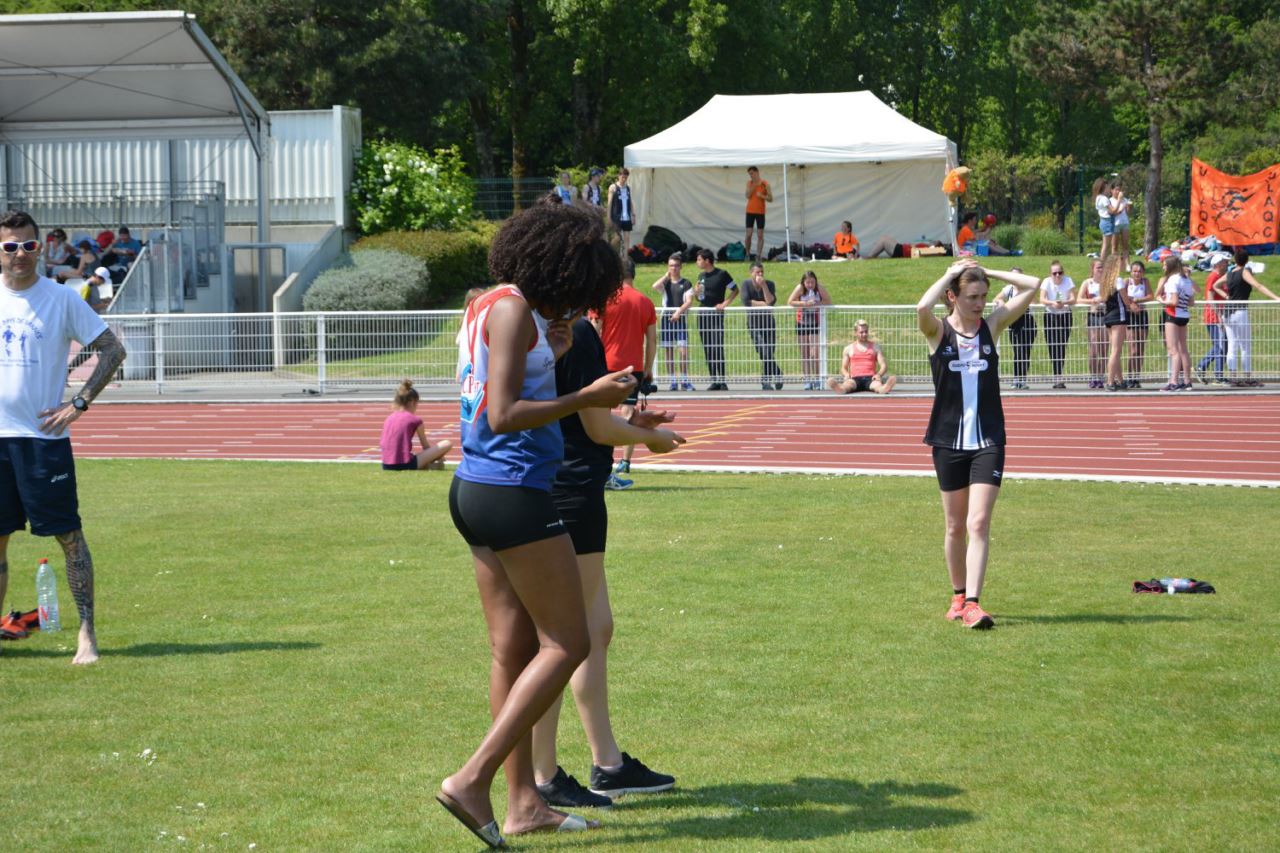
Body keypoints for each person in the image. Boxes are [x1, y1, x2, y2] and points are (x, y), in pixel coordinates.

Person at [439, 200, 637, 847]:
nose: (576, 304)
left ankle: (523, 802)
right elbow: (501, 413)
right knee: (569, 643)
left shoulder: (490, 304)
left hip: (479, 487)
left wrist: (549, 354)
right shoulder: (513, 308)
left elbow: (500, 390)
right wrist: (586, 395)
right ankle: (472, 779)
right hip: (513, 489)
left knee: (514, 650)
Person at [531, 314, 684, 811]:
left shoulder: (542, 324)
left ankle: (608, 763)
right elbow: (596, 427)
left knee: (596, 628)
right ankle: (542, 774)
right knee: (562, 640)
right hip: (571, 490)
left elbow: (577, 416)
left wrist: (632, 426)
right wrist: (650, 439)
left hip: (563, 486)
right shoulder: (574, 330)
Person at [0, 210, 127, 665]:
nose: (20, 254)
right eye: (10, 246)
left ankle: (86, 634)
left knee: (69, 538)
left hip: (42, 441)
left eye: (29, 245)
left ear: (41, 249)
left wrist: (79, 402)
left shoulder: (60, 298)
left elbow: (112, 349)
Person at [916, 259, 1039, 630]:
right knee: (955, 526)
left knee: (979, 521)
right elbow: (922, 308)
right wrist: (948, 274)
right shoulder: (938, 331)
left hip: (988, 440)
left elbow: (1033, 285)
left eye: (984, 296)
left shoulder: (992, 325)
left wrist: (989, 270)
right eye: (972, 296)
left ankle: (973, 603)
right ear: (953, 296)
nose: (980, 303)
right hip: (948, 441)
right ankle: (957, 595)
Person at [591, 259, 656, 490]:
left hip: (606, 364)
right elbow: (652, 340)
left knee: (601, 415)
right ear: (633, 275)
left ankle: (603, 466)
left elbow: (594, 331)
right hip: (633, 366)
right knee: (629, 413)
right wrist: (648, 368)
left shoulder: (605, 299)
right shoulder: (645, 302)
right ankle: (625, 461)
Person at [1215, 249, 1280, 387]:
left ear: (1235, 260)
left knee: (1232, 345)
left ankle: (1233, 377)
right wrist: (1276, 298)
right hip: (1240, 311)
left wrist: (1227, 296)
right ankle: (1248, 377)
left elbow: (1216, 286)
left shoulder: (1229, 273)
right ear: (1247, 260)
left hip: (1227, 312)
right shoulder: (1244, 272)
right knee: (1245, 346)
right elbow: (1258, 285)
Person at [380, 380, 452, 470]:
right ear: (412, 402)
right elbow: (425, 446)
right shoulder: (415, 419)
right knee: (447, 444)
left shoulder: (389, 418)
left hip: (386, 465)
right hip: (405, 464)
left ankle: (428, 465)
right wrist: (437, 455)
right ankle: (430, 465)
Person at [692, 248, 737, 390]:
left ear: (707, 261)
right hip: (703, 314)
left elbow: (735, 290)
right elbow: (699, 298)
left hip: (716, 315)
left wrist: (724, 304)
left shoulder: (722, 274)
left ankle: (722, 380)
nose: (697, 262)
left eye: (699, 259)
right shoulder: (701, 276)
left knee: (717, 346)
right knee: (708, 348)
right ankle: (714, 380)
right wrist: (696, 293)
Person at [651, 253, 694, 392]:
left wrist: (678, 312)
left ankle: (684, 380)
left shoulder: (686, 283)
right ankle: (673, 381)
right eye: (671, 266)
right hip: (666, 321)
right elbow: (655, 286)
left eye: (676, 266)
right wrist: (666, 276)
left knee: (683, 351)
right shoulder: (666, 283)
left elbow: (689, 301)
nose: (673, 268)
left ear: (681, 267)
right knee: (668, 351)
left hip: (680, 320)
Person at [787, 270, 832, 390]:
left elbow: (828, 301)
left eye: (812, 282)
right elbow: (790, 301)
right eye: (808, 282)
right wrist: (805, 303)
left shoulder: (819, 288)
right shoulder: (800, 288)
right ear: (803, 282)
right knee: (805, 353)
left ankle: (817, 379)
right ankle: (807, 379)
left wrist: (817, 303)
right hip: (801, 322)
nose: (810, 285)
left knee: (814, 353)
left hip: (815, 322)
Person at [1155, 255, 1194, 392]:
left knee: (1173, 350)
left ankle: (1173, 382)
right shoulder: (1186, 280)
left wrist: (1161, 300)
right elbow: (1191, 302)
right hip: (1184, 315)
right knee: (1183, 349)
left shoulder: (1172, 280)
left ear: (1170, 266)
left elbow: (1174, 301)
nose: (1163, 267)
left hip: (1173, 315)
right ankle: (1187, 381)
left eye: (1165, 265)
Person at [993, 267, 1036, 389]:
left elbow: (1034, 302)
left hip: (1027, 322)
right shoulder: (1009, 289)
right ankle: (1017, 379)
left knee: (1024, 351)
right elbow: (996, 298)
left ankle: (1022, 380)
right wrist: (1001, 302)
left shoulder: (1027, 289)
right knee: (1017, 351)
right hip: (1014, 323)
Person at [827, 320, 896, 394]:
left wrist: (879, 375)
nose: (864, 334)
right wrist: (846, 374)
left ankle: (883, 389)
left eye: (866, 332)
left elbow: (883, 365)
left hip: (871, 378)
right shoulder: (848, 349)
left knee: (877, 385)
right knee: (848, 384)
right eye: (861, 332)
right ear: (855, 333)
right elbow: (843, 368)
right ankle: (841, 389)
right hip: (854, 379)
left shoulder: (876, 347)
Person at [741, 262, 781, 390]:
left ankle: (766, 381)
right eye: (757, 272)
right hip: (754, 324)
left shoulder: (769, 284)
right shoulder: (746, 284)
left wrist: (764, 286)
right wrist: (764, 304)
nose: (760, 274)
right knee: (764, 351)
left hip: (768, 323)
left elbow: (770, 301)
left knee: (769, 351)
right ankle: (777, 373)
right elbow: (746, 301)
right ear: (751, 273)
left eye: (762, 272)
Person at [1038, 260, 1075, 388]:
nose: (1058, 275)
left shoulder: (1068, 280)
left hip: (1065, 315)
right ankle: (1057, 376)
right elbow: (1042, 299)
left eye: (1060, 272)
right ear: (1050, 274)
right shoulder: (1046, 282)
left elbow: (1073, 299)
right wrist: (1052, 303)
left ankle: (1059, 376)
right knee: (1052, 345)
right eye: (1055, 273)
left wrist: (1063, 303)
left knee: (1061, 345)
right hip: (1050, 315)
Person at [1098, 255, 1132, 391]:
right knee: (1116, 351)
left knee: (1115, 350)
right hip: (1119, 316)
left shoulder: (1105, 281)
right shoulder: (1118, 280)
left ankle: (1120, 380)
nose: (1123, 265)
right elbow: (1125, 299)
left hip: (1109, 316)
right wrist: (1131, 304)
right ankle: (1110, 381)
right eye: (1121, 262)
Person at [1196, 254, 1230, 385]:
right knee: (1220, 346)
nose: (1227, 264)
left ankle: (1205, 368)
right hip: (1214, 317)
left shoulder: (1222, 277)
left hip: (1221, 315)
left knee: (1222, 345)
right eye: (1224, 262)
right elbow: (1210, 297)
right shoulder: (1213, 277)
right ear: (1218, 264)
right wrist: (1218, 315)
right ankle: (1215, 374)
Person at [1077, 260, 1108, 388]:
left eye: (1102, 267)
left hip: (1106, 316)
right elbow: (1079, 299)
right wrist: (1093, 301)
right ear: (1093, 269)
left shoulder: (1108, 282)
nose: (1101, 269)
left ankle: (1101, 377)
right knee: (1093, 349)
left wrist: (1104, 299)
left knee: (1104, 349)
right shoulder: (1087, 282)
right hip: (1093, 317)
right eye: (1098, 267)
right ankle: (1093, 377)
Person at [1124, 260, 1153, 388]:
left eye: (1139, 271)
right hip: (1130, 316)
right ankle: (1130, 376)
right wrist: (1131, 305)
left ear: (1143, 272)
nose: (1137, 274)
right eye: (1135, 271)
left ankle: (1137, 377)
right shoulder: (1126, 282)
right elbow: (1122, 297)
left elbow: (1150, 296)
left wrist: (1138, 300)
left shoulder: (1145, 282)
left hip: (1142, 315)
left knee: (1140, 348)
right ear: (1131, 272)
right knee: (1132, 349)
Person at [744, 166, 773, 261]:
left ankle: (758, 255)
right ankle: (747, 254)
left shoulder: (765, 183)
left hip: (760, 212)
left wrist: (762, 196)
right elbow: (747, 195)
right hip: (750, 211)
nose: (751, 176)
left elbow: (771, 198)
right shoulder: (749, 183)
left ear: (757, 172)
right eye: (750, 174)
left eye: (752, 173)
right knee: (749, 234)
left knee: (760, 235)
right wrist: (754, 185)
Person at [607, 168, 635, 253]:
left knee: (627, 238)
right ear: (618, 176)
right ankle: (611, 253)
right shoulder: (613, 187)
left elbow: (630, 201)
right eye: (623, 177)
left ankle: (625, 257)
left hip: (626, 217)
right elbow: (609, 204)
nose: (624, 179)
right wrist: (609, 217)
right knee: (617, 238)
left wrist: (633, 215)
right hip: (616, 217)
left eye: (626, 177)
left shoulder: (628, 188)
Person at [1093, 177, 1114, 258]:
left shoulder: (1098, 198)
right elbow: (1112, 210)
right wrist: (1119, 201)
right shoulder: (1104, 198)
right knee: (1106, 246)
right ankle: (1102, 262)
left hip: (1103, 222)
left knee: (1106, 245)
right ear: (1103, 188)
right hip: (1107, 222)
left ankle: (1103, 262)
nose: (1109, 189)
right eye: (1107, 187)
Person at [1110, 184, 1132, 258]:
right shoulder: (1110, 201)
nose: (1118, 192)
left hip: (1124, 223)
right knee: (1114, 246)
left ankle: (1127, 263)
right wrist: (1121, 207)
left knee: (1125, 245)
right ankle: (1114, 263)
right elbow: (1113, 213)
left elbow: (1127, 213)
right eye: (1116, 190)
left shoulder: (1125, 199)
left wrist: (1129, 207)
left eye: (1119, 190)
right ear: (1111, 190)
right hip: (1115, 224)